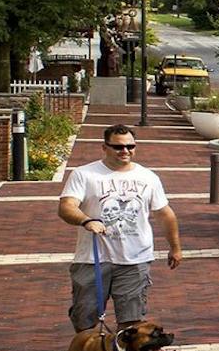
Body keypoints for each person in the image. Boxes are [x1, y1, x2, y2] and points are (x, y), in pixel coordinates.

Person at [58, 124, 182, 332]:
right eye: (118, 147)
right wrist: (87, 221)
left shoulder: (148, 177)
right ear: (104, 147)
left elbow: (164, 213)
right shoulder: (84, 174)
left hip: (135, 259)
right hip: (92, 259)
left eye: (130, 146)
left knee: (132, 326)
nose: (125, 151)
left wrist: (175, 248)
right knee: (85, 321)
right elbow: (66, 207)